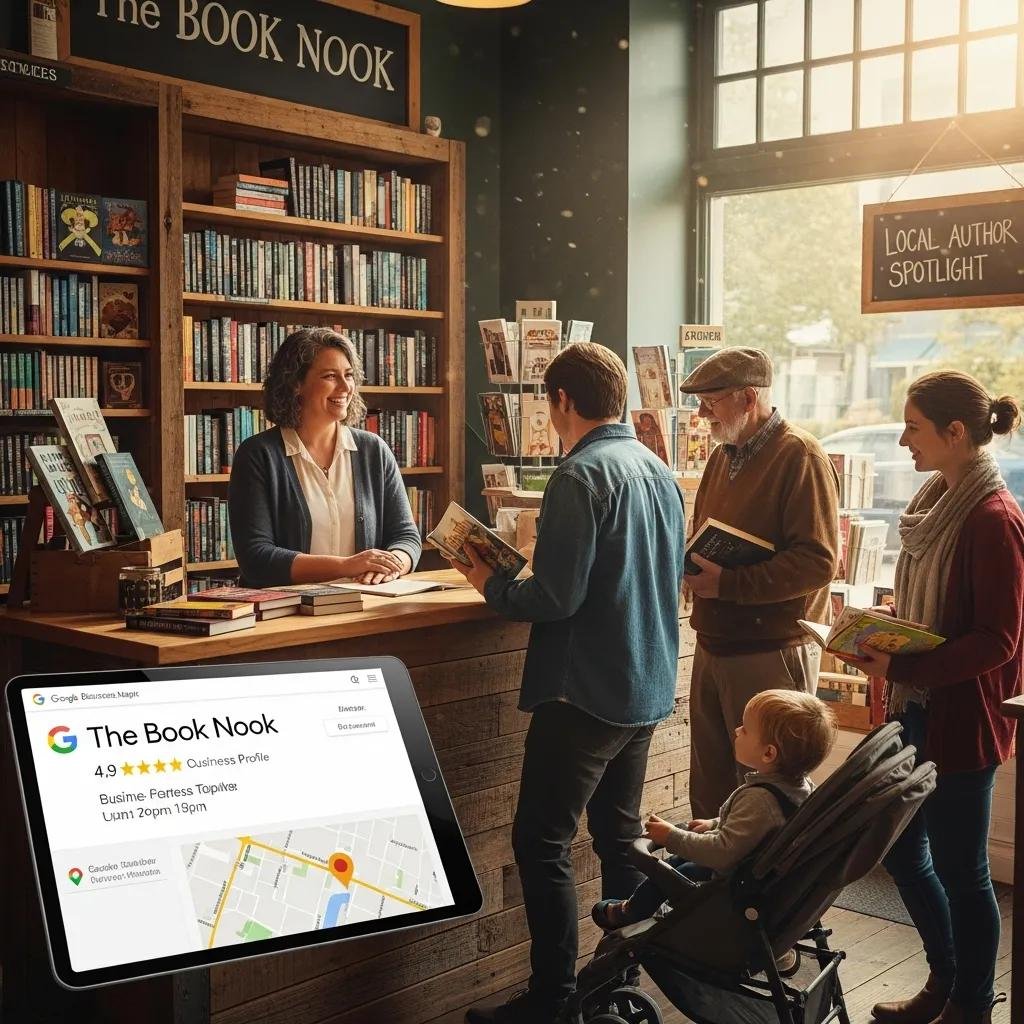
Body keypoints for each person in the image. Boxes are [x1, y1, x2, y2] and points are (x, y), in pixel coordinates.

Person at [452, 342, 687, 1024]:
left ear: (560, 401)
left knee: (541, 842)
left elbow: (554, 598)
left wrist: (489, 579)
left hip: (584, 690)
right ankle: (611, 984)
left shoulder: (580, 475)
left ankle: (553, 1002)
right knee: (619, 839)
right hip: (644, 684)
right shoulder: (654, 468)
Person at [835, 371, 1024, 1024]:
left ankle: (969, 1002)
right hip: (918, 711)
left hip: (962, 722)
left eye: (913, 426)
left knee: (964, 870)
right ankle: (944, 982)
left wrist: (908, 657)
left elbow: (998, 641)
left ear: (954, 433)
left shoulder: (993, 519)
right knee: (904, 851)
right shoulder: (937, 506)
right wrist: (892, 628)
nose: (901, 438)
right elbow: (946, 612)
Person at [679, 347, 840, 819]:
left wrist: (729, 584)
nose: (702, 412)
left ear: (749, 398)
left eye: (712, 401)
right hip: (714, 645)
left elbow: (817, 562)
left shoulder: (800, 456)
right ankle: (708, 891)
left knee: (767, 799)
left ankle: (761, 897)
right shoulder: (721, 456)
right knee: (710, 793)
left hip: (770, 652)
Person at [591, 689, 835, 932]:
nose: (737, 730)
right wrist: (715, 824)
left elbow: (722, 853)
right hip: (752, 873)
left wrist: (670, 837)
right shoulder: (799, 787)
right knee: (681, 861)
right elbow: (756, 828)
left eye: (746, 729)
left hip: (731, 884)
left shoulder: (760, 800)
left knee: (672, 872)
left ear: (769, 753)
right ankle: (638, 908)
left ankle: (630, 912)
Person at [228, 327, 422, 588]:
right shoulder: (258, 455)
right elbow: (256, 558)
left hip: (364, 605)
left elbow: (406, 536)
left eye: (349, 375)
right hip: (286, 615)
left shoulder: (374, 451)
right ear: (296, 384)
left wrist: (391, 564)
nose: (345, 387)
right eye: (331, 376)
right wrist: (346, 566)